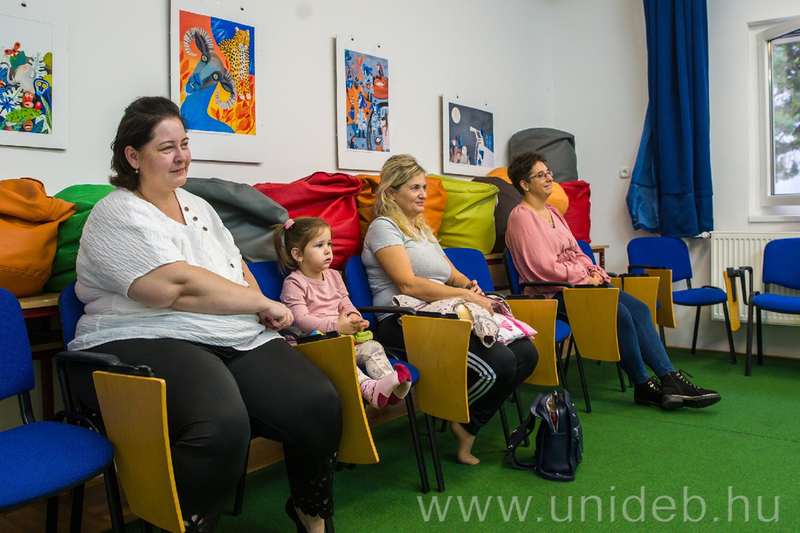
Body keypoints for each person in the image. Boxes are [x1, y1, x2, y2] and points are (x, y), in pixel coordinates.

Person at [69, 96, 341, 533]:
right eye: (166, 148)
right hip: (142, 334)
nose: (181, 156)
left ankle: (312, 514)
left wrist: (259, 304)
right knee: (219, 424)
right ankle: (186, 525)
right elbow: (173, 287)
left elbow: (235, 265)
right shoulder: (116, 212)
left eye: (185, 144)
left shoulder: (199, 206)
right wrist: (261, 303)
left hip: (227, 330)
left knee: (317, 401)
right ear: (133, 156)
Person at [504, 150, 722, 411]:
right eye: (541, 175)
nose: (549, 178)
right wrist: (584, 277)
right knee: (618, 314)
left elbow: (577, 251)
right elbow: (542, 267)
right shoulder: (521, 217)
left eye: (548, 172)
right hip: (553, 294)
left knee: (639, 308)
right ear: (524, 184)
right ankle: (643, 385)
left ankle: (670, 378)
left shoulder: (552, 211)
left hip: (579, 286)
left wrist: (594, 271)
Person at [362, 154, 538, 466]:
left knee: (526, 353)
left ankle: (465, 421)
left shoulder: (422, 229)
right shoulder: (383, 227)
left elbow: (450, 273)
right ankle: (456, 416)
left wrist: (469, 286)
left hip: (442, 313)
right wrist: (464, 296)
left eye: (424, 187)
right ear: (391, 193)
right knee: (500, 363)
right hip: (406, 321)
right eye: (414, 188)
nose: (423, 194)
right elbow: (407, 285)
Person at [275, 216, 412, 408]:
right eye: (319, 245)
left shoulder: (333, 275)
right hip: (313, 345)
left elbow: (345, 303)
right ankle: (369, 389)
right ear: (298, 254)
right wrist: (337, 326)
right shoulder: (294, 283)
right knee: (344, 359)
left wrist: (354, 318)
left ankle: (389, 384)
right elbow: (300, 320)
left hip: (341, 339)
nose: (327, 250)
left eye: (329, 244)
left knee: (373, 347)